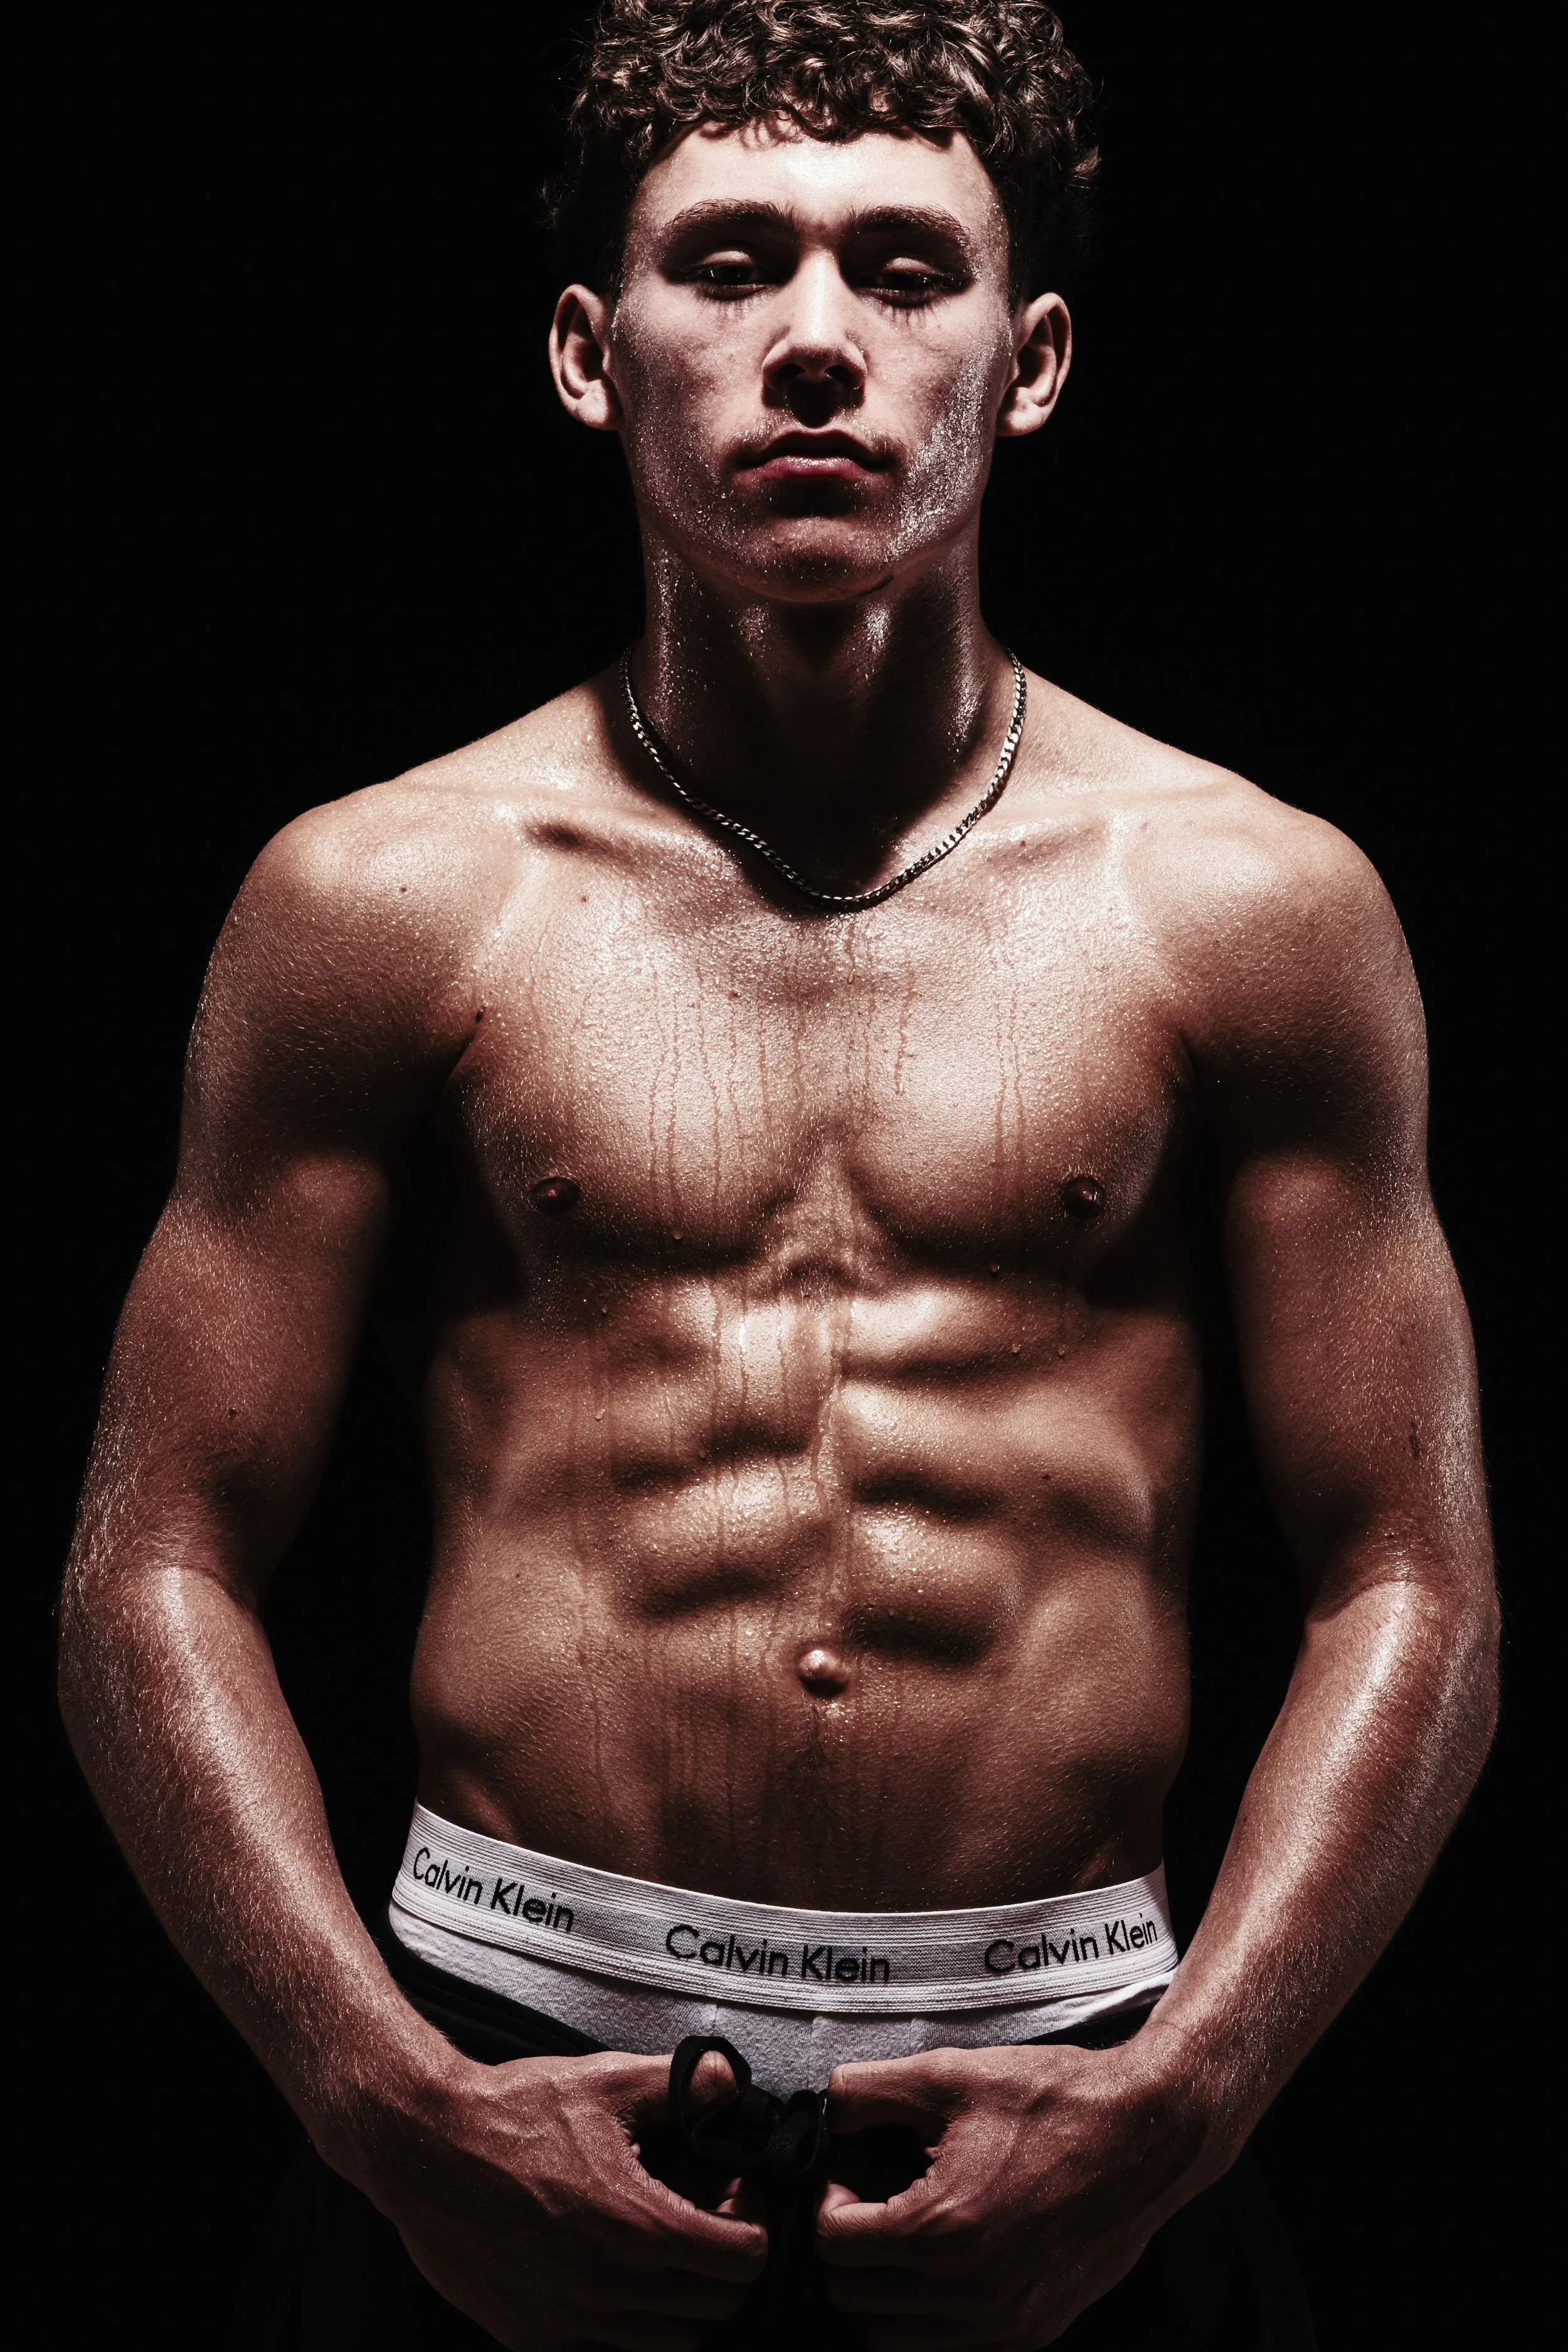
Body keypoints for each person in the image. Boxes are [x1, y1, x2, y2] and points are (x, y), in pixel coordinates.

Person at [58, 3, 1498, 2346]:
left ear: (1026, 362)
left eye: (903, 273)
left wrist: (1195, 2094)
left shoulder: (1253, 906)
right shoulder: (386, 896)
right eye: (727, 264)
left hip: (1075, 2079)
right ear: (583, 351)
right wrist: (374, 2096)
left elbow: (1410, 1573)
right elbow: (154, 1556)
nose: (815, 344)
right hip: (514, 2066)